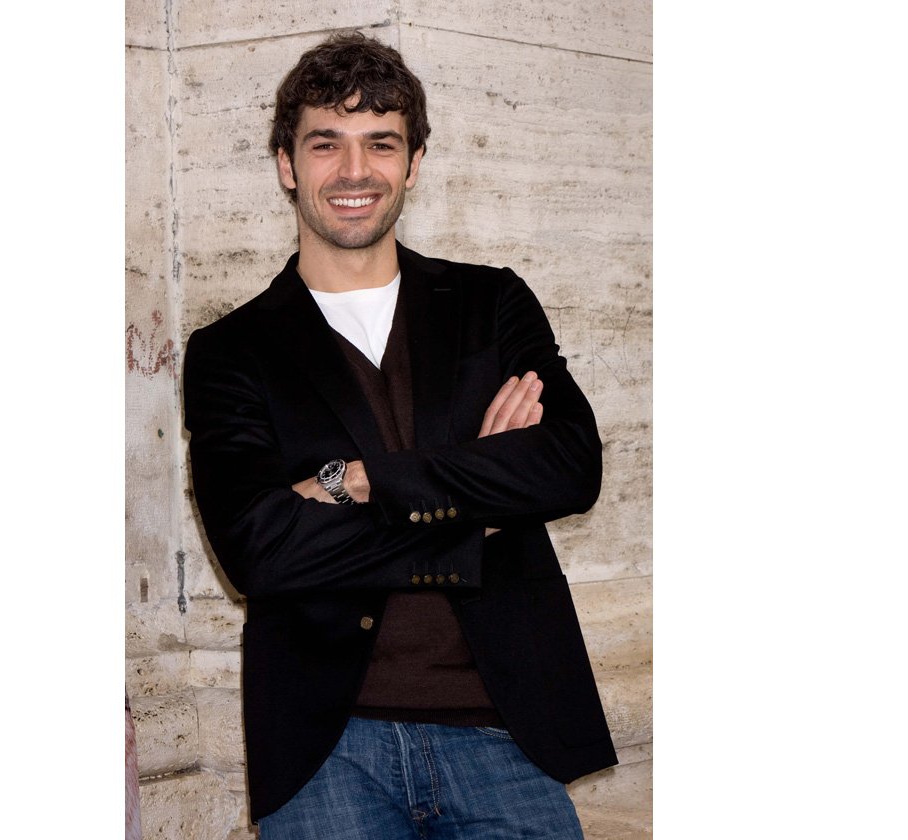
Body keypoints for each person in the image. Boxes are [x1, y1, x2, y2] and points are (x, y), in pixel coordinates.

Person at [182, 31, 617, 839]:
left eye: (381, 143)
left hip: (506, 733)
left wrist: (358, 480)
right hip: (325, 749)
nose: (355, 171)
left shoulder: (492, 304)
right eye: (326, 144)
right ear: (286, 164)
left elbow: (570, 466)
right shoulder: (230, 351)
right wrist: (475, 507)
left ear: (414, 163)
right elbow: (259, 552)